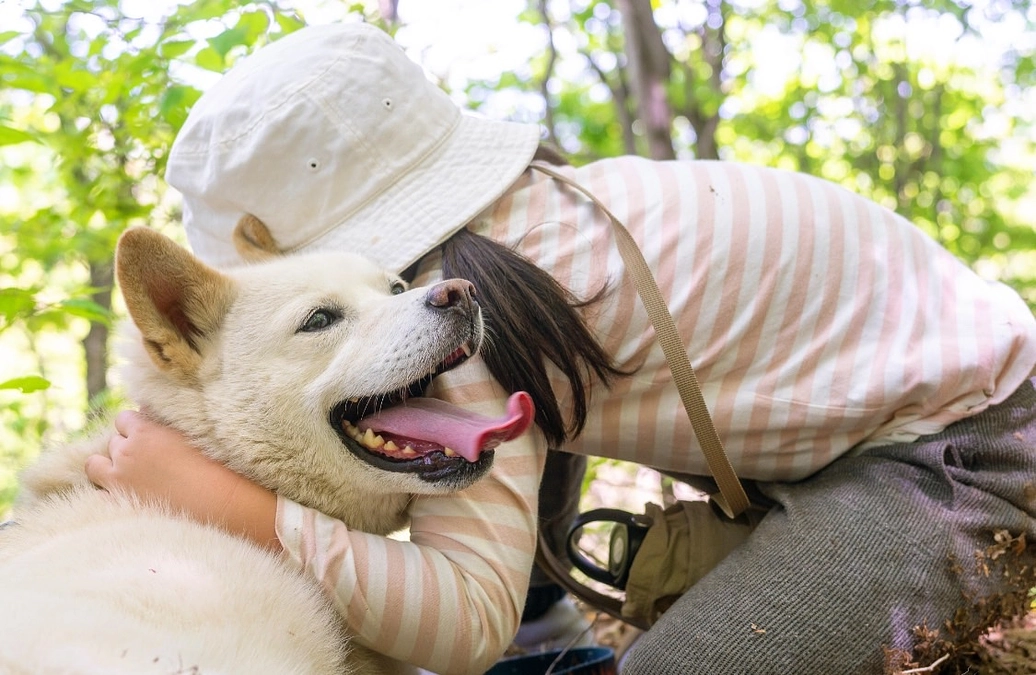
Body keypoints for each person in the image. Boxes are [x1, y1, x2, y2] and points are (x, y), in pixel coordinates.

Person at [85, 21, 1036, 675]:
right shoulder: (534, 232)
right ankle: (548, 613)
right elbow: (528, 422)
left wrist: (248, 513)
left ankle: (550, 624)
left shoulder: (474, 306)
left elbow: (463, 624)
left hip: (973, 459)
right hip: (930, 405)